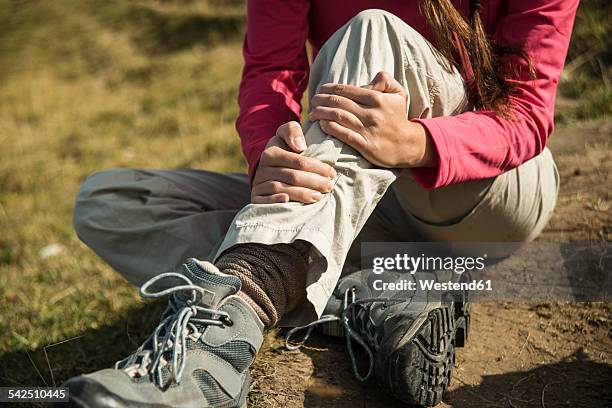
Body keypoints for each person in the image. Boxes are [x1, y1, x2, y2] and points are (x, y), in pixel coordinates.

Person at [59, 0, 578, 407]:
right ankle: (360, 294)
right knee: (110, 202)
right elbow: (270, 71)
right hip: (355, 188)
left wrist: (415, 142)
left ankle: (225, 336)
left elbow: (527, 114)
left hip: (486, 194)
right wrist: (267, 155)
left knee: (373, 30)